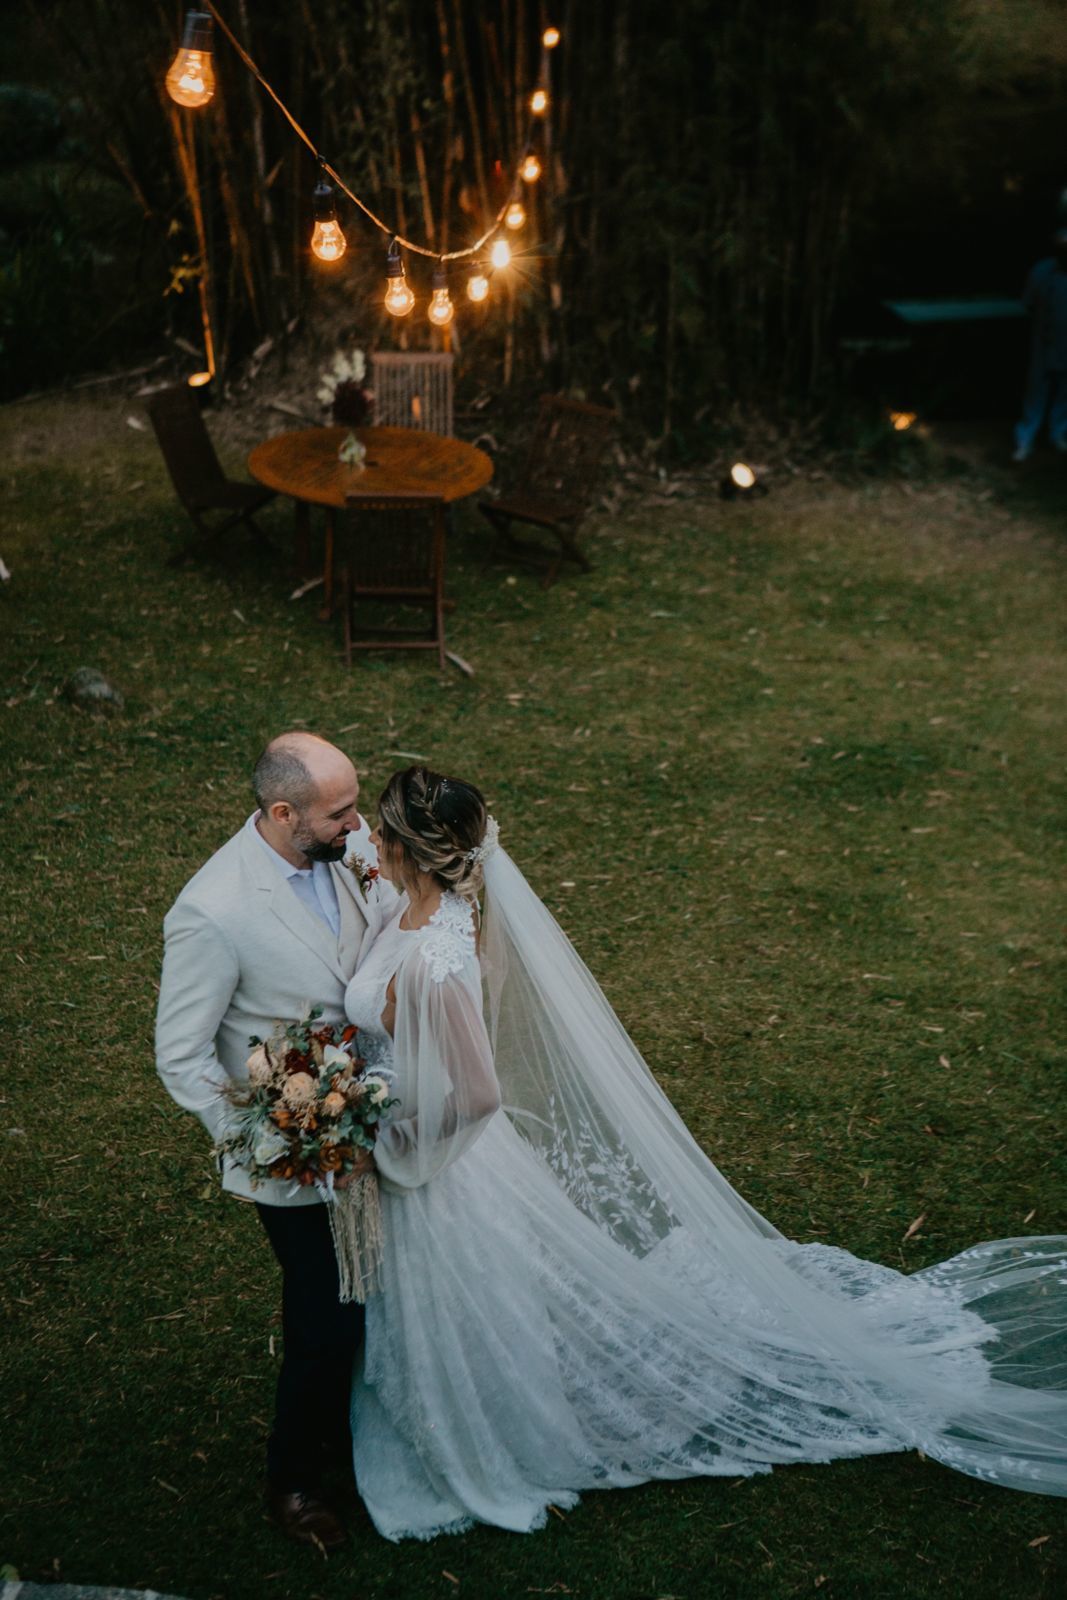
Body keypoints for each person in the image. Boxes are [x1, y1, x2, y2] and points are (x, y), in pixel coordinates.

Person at [343, 765, 1067, 1542]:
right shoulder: (427, 908)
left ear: (410, 852)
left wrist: (392, 1143)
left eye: (380, 834)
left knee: (465, 1295)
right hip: (432, 1144)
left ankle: (487, 1426)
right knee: (478, 1295)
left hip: (439, 1160)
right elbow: (378, 883)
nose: (369, 843)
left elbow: (479, 1095)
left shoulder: (434, 959)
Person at [155, 731, 394, 1550]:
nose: (359, 825)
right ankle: (291, 1481)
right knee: (322, 1316)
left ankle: (364, 1435)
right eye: (341, 813)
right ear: (282, 812)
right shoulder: (212, 911)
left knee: (375, 1294)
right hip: (291, 1155)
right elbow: (179, 1054)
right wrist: (265, 1136)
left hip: (376, 1116)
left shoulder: (344, 844)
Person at [1013, 230, 1067, 461]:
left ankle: (1059, 436)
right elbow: (1029, 305)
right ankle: (1025, 441)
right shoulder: (1042, 271)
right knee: (1036, 393)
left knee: (1064, 394)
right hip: (1043, 343)